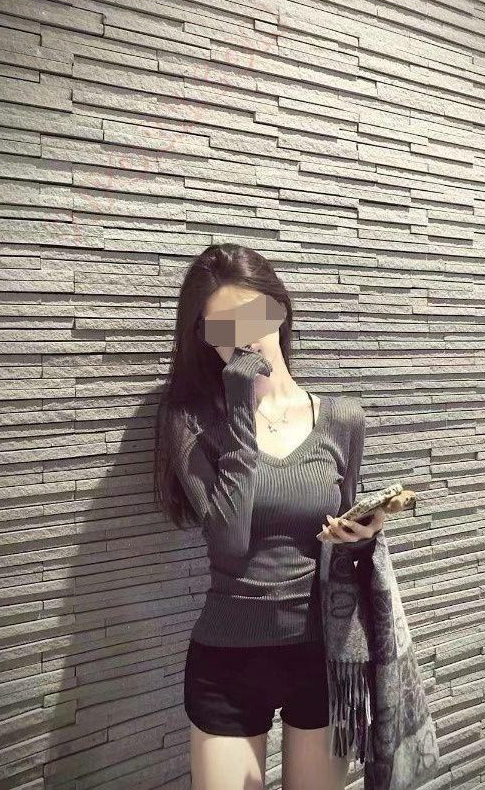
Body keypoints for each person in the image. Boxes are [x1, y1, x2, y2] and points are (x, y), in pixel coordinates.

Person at [153, 243, 385, 790]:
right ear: (204, 337)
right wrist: (239, 405)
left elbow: (337, 542)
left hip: (322, 653)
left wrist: (360, 535)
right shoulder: (191, 422)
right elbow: (229, 543)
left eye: (251, 316)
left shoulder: (342, 419)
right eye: (223, 329)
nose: (242, 338)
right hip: (228, 660)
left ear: (278, 310)